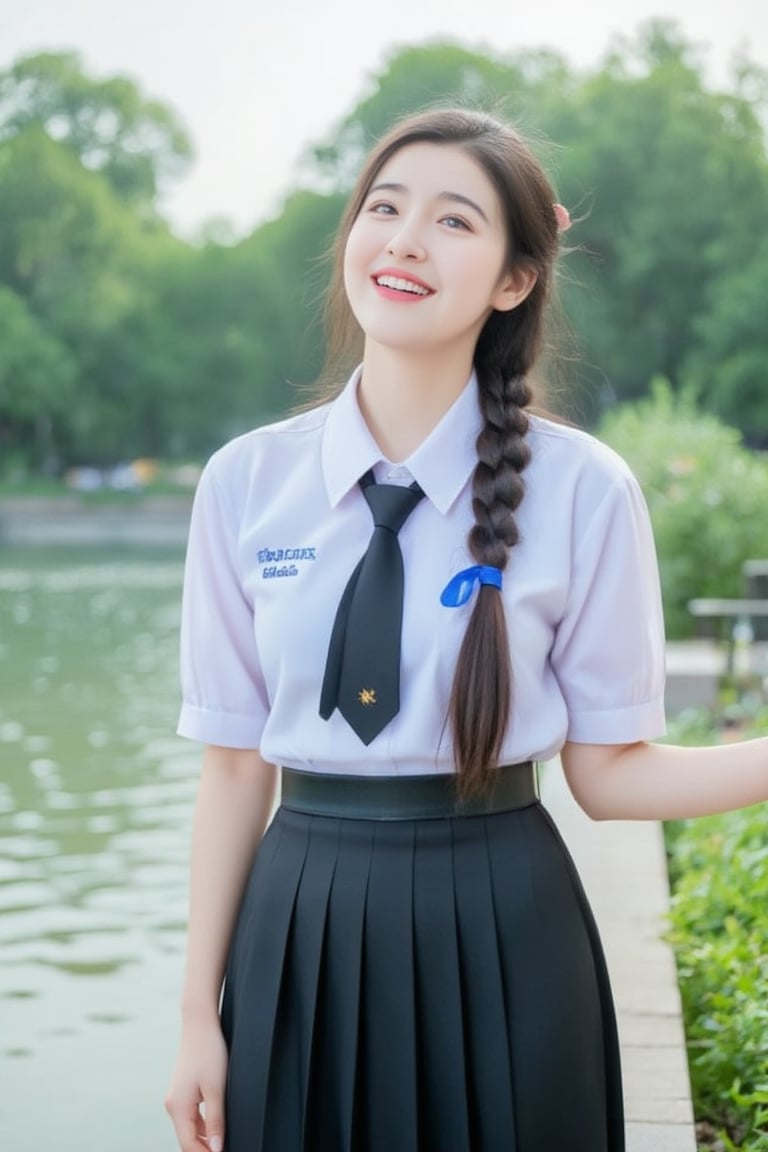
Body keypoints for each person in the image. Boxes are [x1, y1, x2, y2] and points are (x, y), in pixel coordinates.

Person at [164, 107, 768, 1152]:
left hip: (505, 922)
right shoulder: (245, 483)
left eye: (452, 221)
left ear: (514, 280)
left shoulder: (584, 490)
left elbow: (611, 774)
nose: (403, 240)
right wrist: (194, 1017)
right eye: (384, 208)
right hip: (297, 924)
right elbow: (230, 773)